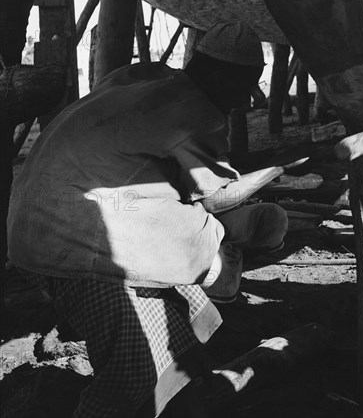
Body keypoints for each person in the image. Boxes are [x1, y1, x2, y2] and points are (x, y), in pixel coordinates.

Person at [7, 21, 307, 418]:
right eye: (247, 84)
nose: (249, 97)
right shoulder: (196, 111)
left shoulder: (141, 75)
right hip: (77, 241)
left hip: (30, 221)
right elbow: (217, 197)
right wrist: (283, 165)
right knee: (136, 371)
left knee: (178, 274)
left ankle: (180, 388)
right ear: (219, 75)